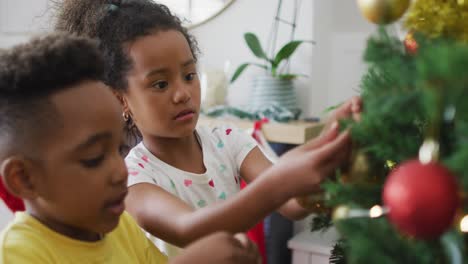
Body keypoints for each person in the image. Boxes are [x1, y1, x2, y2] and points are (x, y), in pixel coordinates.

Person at [54, 0, 358, 258]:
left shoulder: (227, 141)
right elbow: (191, 229)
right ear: (121, 99)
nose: (183, 93)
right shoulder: (134, 178)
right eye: (160, 84)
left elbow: (292, 204)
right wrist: (281, 180)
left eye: (188, 75)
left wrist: (332, 138)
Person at [0, 33, 261, 264]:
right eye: (93, 159)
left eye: (117, 150)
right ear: (24, 178)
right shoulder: (21, 252)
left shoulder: (120, 227)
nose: (120, 172)